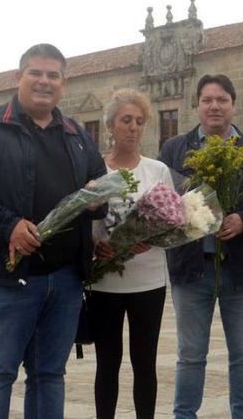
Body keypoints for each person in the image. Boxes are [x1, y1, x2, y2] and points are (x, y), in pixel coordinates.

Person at [0, 43, 107, 418]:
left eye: (53, 75)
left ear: (64, 83)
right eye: (36, 73)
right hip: (4, 276)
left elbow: (100, 184)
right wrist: (9, 224)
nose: (44, 82)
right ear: (18, 78)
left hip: (64, 280)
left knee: (50, 374)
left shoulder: (77, 136)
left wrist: (100, 198)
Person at [159, 74, 243, 419]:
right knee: (190, 354)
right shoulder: (174, 150)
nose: (214, 106)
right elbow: (161, 201)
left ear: (233, 104)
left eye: (222, 99)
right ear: (196, 106)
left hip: (240, 268)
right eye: (207, 100)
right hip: (191, 268)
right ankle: (185, 415)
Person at [87, 88, 172, 419]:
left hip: (148, 281)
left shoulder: (157, 171)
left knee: (144, 363)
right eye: (126, 120)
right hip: (104, 282)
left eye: (139, 121)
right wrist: (95, 244)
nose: (133, 127)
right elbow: (84, 219)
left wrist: (152, 237)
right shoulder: (95, 171)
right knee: (107, 363)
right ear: (110, 125)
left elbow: (170, 222)